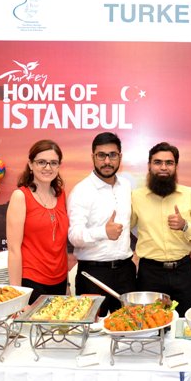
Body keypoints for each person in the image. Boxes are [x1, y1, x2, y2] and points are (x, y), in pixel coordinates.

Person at [131, 142, 191, 315]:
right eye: (158, 162)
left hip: (183, 272)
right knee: (150, 325)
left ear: (176, 166)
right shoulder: (136, 197)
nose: (163, 167)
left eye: (169, 163)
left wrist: (185, 226)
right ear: (149, 165)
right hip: (150, 274)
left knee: (185, 324)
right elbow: (125, 227)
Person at [67, 132, 135, 315]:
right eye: (101, 155)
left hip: (126, 273)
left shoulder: (125, 186)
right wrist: (103, 232)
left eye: (112, 155)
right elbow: (74, 236)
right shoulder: (81, 191)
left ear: (120, 157)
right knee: (92, 329)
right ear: (93, 157)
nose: (107, 161)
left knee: (128, 327)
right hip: (93, 274)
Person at [6, 139, 69, 305]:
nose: (48, 168)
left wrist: (68, 285)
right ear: (30, 165)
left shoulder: (61, 195)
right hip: (31, 282)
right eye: (41, 162)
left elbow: (61, 244)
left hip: (60, 281)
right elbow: (13, 250)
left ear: (59, 166)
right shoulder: (20, 196)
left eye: (53, 163)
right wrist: (17, 298)